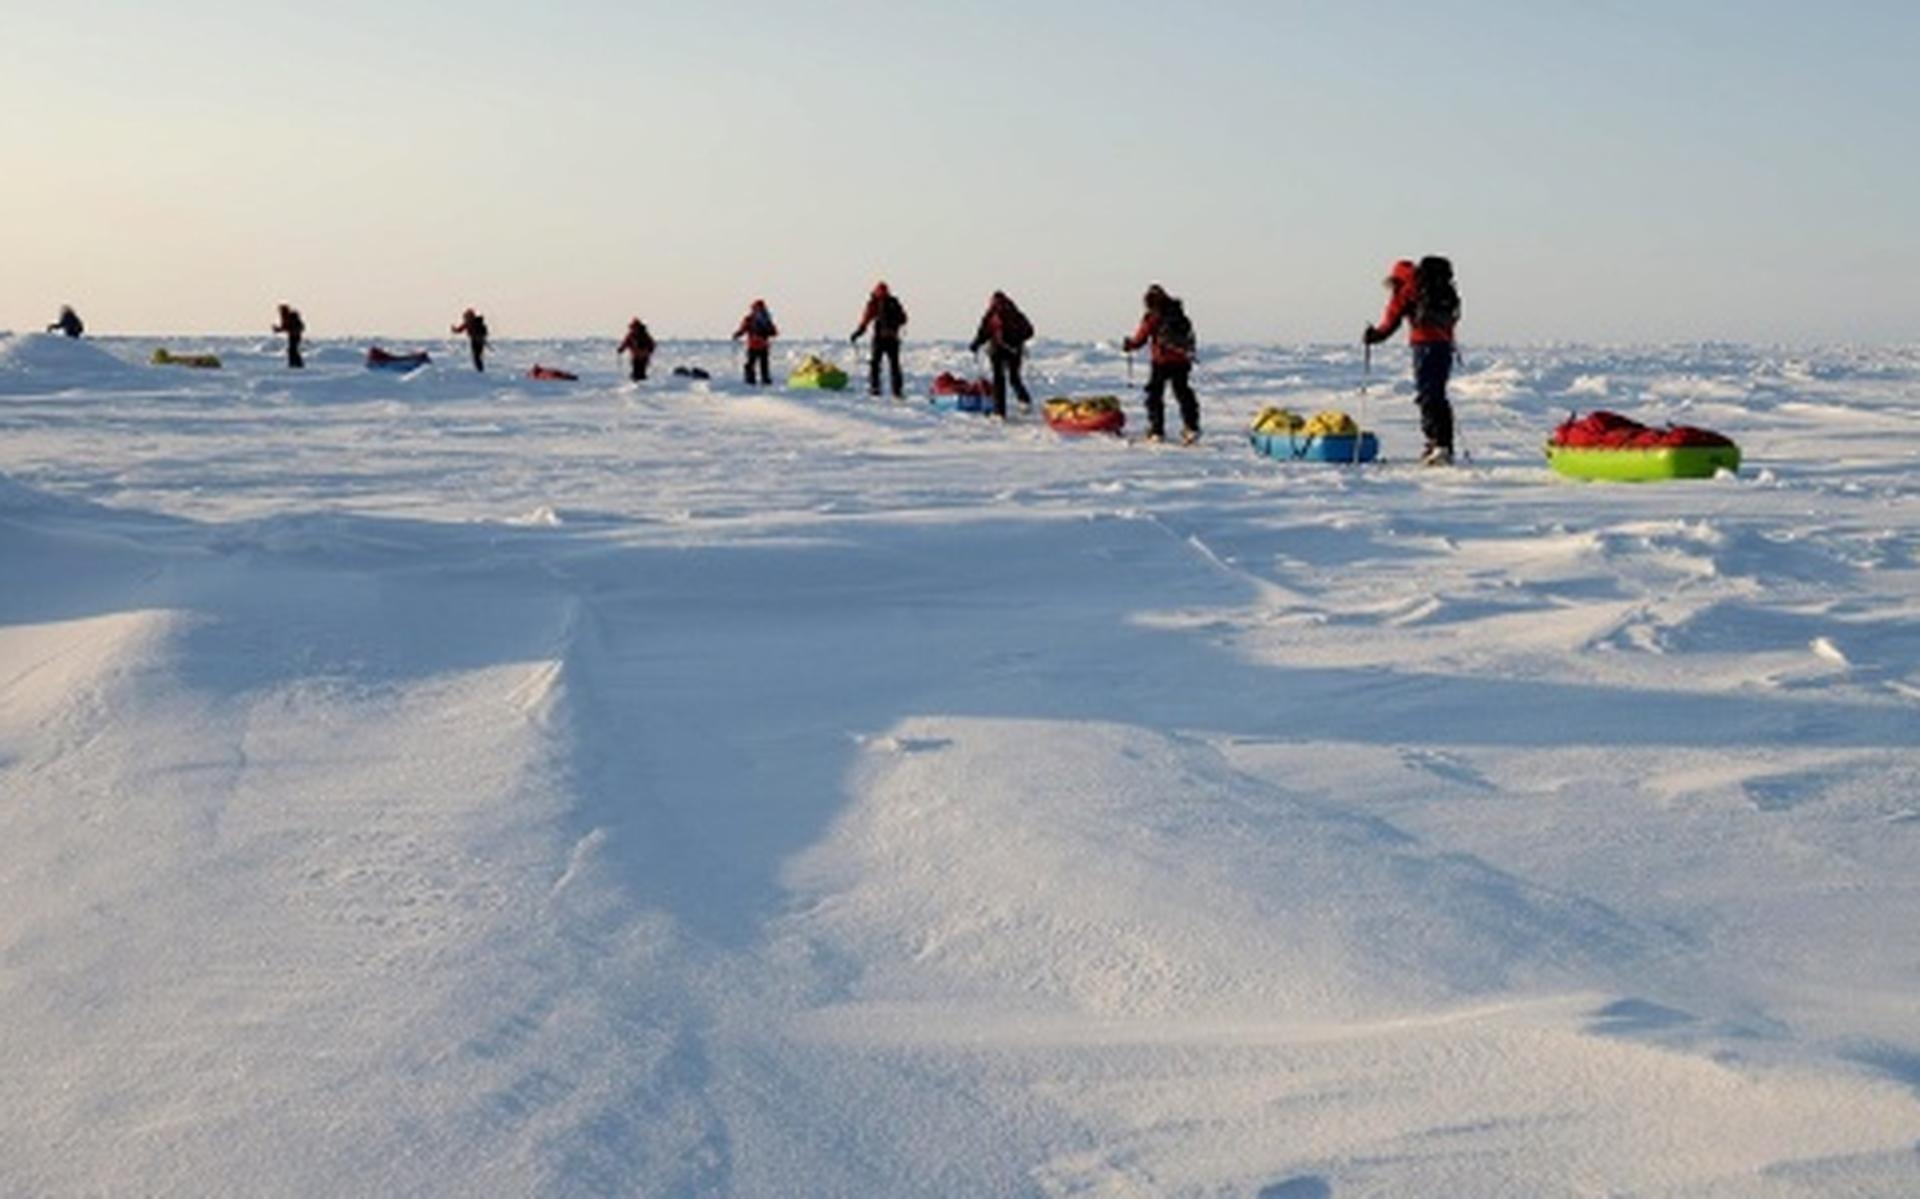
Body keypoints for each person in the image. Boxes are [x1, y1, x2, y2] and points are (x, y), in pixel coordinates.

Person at [1364, 257, 1460, 465]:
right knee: (1437, 394)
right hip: (1445, 346)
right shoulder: (1439, 287)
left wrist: (1373, 336)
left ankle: (1437, 444)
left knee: (1427, 395)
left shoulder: (1406, 289)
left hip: (1424, 346)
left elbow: (1391, 321)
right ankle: (1444, 444)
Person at [1121, 284, 1200, 444]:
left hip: (1161, 361)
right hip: (1181, 360)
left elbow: (1141, 338)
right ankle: (1191, 427)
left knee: (1155, 395)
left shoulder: (1153, 317)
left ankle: (1157, 430)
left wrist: (1130, 344)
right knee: (1183, 393)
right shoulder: (1179, 315)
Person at [967, 291, 1034, 419]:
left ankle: (999, 412)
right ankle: (1024, 401)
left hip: (997, 350)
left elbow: (984, 332)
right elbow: (1030, 331)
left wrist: (975, 345)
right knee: (1014, 377)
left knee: (999, 380)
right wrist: (1017, 340)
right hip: (1015, 350)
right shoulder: (1016, 313)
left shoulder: (991, 314)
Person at [849, 281, 909, 398]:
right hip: (893, 338)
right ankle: (897, 391)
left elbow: (866, 320)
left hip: (879, 339)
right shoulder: (894, 302)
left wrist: (858, 333)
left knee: (875, 364)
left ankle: (875, 389)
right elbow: (904, 319)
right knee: (894, 365)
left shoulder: (874, 303)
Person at [731, 299, 778, 386]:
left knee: (751, 364)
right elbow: (774, 332)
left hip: (753, 346)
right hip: (763, 346)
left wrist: (737, 334)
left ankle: (751, 381)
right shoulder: (767, 319)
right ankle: (765, 380)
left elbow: (743, 329)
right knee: (763, 365)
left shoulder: (750, 319)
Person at [452, 307, 490, 372]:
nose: (466, 319)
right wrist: (454, 330)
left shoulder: (477, 323)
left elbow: (484, 331)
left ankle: (480, 370)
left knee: (477, 355)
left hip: (479, 340)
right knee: (476, 355)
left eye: (467, 317)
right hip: (474, 340)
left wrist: (481, 337)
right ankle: (479, 369)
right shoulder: (468, 323)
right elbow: (460, 329)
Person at [618, 317, 656, 382]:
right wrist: (621, 349)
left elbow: (652, 344)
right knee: (635, 370)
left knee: (641, 371)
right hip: (635, 356)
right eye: (632, 327)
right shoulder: (630, 335)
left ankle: (643, 384)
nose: (633, 329)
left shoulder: (644, 335)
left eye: (634, 327)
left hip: (644, 357)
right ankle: (636, 383)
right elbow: (626, 342)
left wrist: (649, 349)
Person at [273, 303, 306, 369]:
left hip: (295, 336)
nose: (280, 312)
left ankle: (296, 364)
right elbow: (285, 327)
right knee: (292, 350)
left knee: (293, 350)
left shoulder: (291, 317)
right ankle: (295, 364)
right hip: (292, 336)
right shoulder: (285, 317)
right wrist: (278, 329)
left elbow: (289, 327)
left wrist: (279, 329)